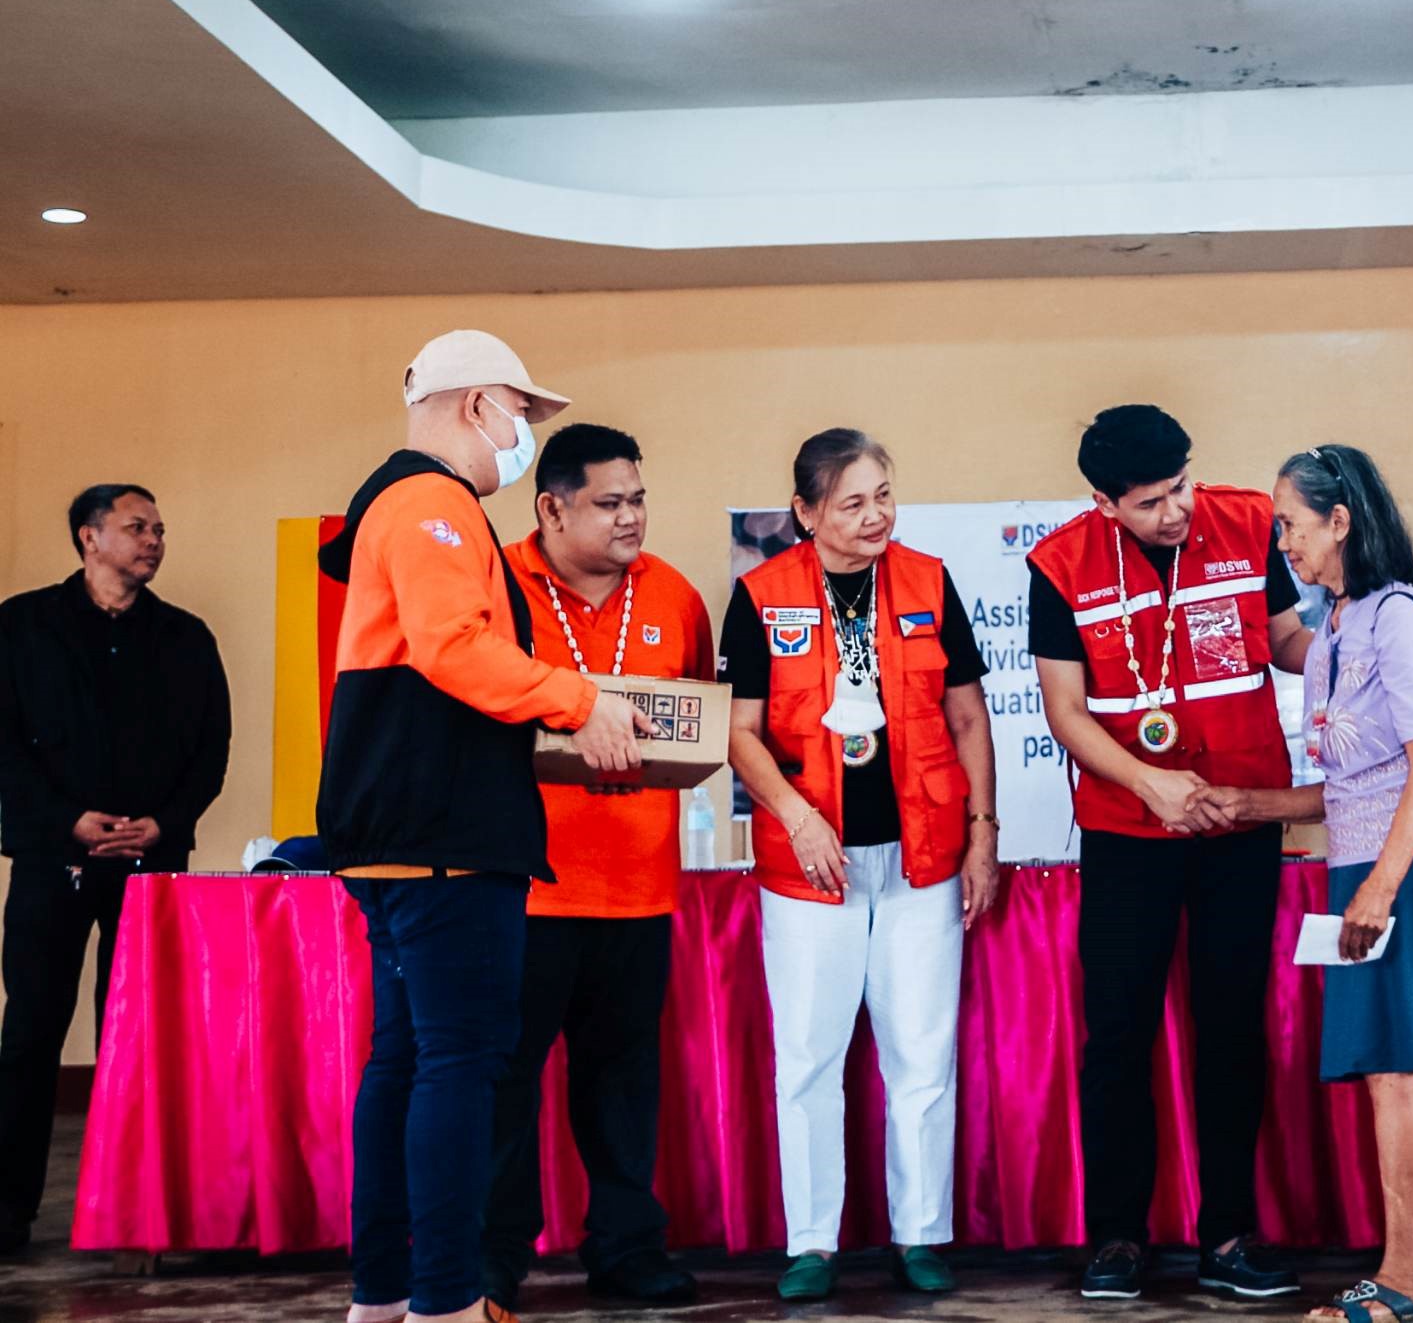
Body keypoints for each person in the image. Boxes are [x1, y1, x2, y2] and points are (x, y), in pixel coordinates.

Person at [317, 330, 647, 1323]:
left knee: (409, 1060)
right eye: (519, 414)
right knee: (457, 1059)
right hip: (443, 834)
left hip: (406, 829)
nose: (522, 438)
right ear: (473, 405)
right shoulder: (430, 502)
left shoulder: (399, 502)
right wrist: (576, 699)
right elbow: (452, 647)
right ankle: (447, 1299)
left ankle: (384, 1294)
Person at [1202, 446, 1413, 1323]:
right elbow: (1349, 782)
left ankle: (1405, 1280)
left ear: (1341, 520)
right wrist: (1250, 803)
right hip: (1367, 866)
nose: (1281, 541)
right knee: (1389, 1071)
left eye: (1290, 523)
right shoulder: (1336, 624)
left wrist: (1379, 889)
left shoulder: (1394, 615)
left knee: (1390, 1074)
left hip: (1405, 872)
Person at [1028, 404, 1305, 1303]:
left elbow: (1291, 640)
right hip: (1127, 833)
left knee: (1230, 1026)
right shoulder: (1058, 564)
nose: (1176, 511)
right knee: (1117, 1034)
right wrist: (1149, 784)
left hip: (1239, 822)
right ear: (1105, 501)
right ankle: (1116, 1236)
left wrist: (1358, 644)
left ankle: (1227, 1232)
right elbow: (1065, 711)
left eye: (1181, 486)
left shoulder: (1251, 522)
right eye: (1150, 502)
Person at [721, 427, 998, 1302]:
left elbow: (967, 717)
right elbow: (740, 731)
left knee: (923, 1051)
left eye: (884, 493)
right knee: (808, 1053)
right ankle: (812, 1242)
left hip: (923, 857)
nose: (875, 514)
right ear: (804, 513)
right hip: (810, 865)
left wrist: (984, 832)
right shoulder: (760, 595)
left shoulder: (927, 580)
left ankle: (919, 1234)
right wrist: (797, 817)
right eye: (852, 501)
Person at [481, 424, 715, 1309]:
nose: (632, 519)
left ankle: (625, 1251)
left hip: (637, 889)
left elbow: (695, 709)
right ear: (551, 506)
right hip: (523, 890)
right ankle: (492, 1260)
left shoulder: (677, 596)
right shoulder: (495, 584)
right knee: (503, 1087)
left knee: (621, 1088)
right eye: (610, 502)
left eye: (639, 498)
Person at [0, 484, 231, 1253]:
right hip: (50, 860)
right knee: (31, 1032)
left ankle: (138, 1212)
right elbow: (4, 748)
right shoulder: (21, 626)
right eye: (137, 527)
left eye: (160, 528)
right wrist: (69, 821)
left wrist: (164, 822)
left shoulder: (186, 637)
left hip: (152, 862)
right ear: (87, 537)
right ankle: (9, 1209)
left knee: (140, 1036)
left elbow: (211, 748)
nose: (155, 540)